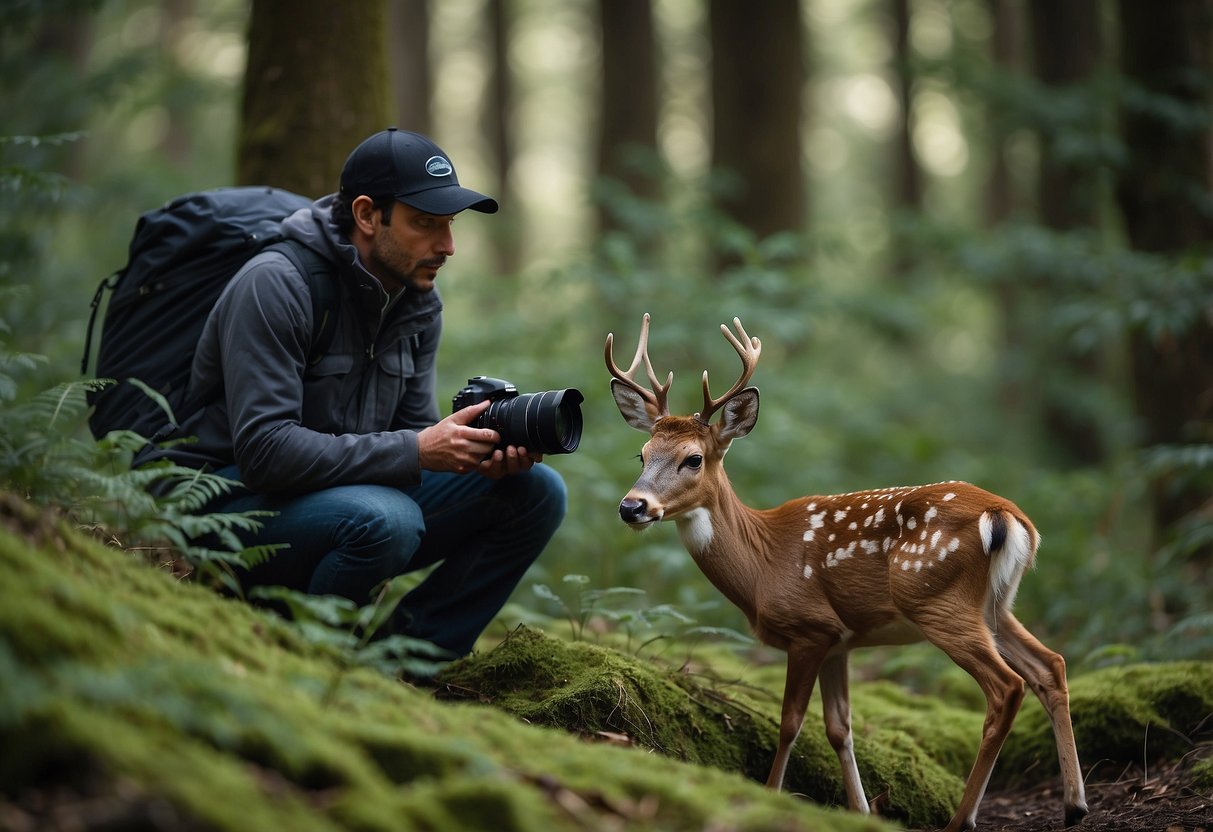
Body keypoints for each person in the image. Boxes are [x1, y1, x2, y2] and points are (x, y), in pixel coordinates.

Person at [142, 127, 568, 657]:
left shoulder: (414, 301)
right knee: (386, 519)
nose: (448, 246)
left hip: (330, 494)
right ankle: (315, 660)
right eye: (425, 224)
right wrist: (416, 449)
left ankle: (410, 661)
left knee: (537, 493)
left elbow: (413, 435)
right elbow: (264, 451)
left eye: (450, 225)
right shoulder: (276, 284)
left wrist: (473, 456)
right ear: (367, 215)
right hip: (221, 499)